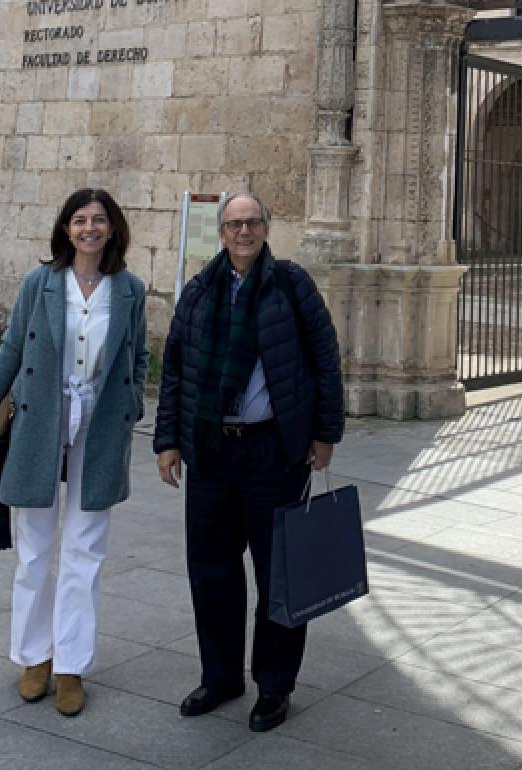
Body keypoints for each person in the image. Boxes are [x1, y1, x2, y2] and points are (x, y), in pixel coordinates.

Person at [153, 193, 344, 732]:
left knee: (279, 574)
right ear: (221, 232)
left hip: (273, 451)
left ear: (265, 228)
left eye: (252, 222)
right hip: (212, 449)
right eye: (234, 224)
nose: (243, 232)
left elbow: (325, 359)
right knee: (211, 571)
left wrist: (325, 432)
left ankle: (274, 686)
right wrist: (167, 440)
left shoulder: (291, 285)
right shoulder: (199, 292)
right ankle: (220, 677)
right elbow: (175, 371)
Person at [0, 188, 148, 717]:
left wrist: (130, 407)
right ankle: (34, 657)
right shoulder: (40, 282)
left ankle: (71, 664)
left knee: (85, 553)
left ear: (113, 228)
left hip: (99, 431)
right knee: (32, 551)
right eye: (79, 220)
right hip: (39, 425)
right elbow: (12, 346)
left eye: (98, 220)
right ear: (66, 229)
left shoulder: (130, 289)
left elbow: (139, 354)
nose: (89, 228)